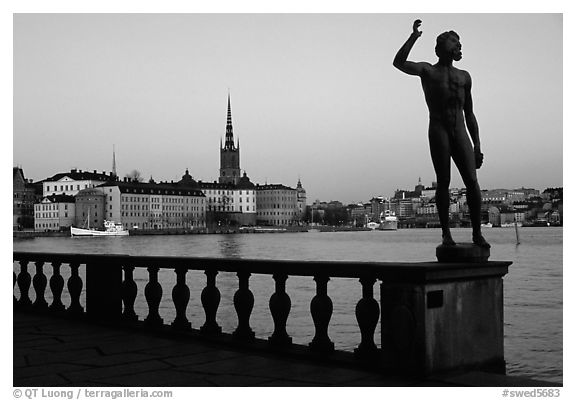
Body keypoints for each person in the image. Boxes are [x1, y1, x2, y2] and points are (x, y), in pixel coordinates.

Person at [393, 19, 489, 248]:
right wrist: (413, 37)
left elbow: (470, 115)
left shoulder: (465, 77)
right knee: (443, 181)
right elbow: (398, 62)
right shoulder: (427, 70)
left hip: (460, 131)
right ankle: (447, 235)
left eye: (459, 43)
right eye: (454, 42)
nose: (459, 46)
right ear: (442, 46)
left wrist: (477, 146)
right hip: (438, 130)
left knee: (472, 183)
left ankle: (477, 233)